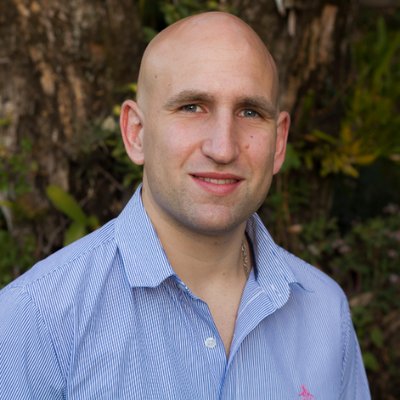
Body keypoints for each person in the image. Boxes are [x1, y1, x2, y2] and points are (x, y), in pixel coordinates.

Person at [0, 11, 370, 399]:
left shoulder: (325, 313)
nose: (223, 148)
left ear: (278, 144)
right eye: (192, 107)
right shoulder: (35, 319)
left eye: (250, 112)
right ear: (136, 133)